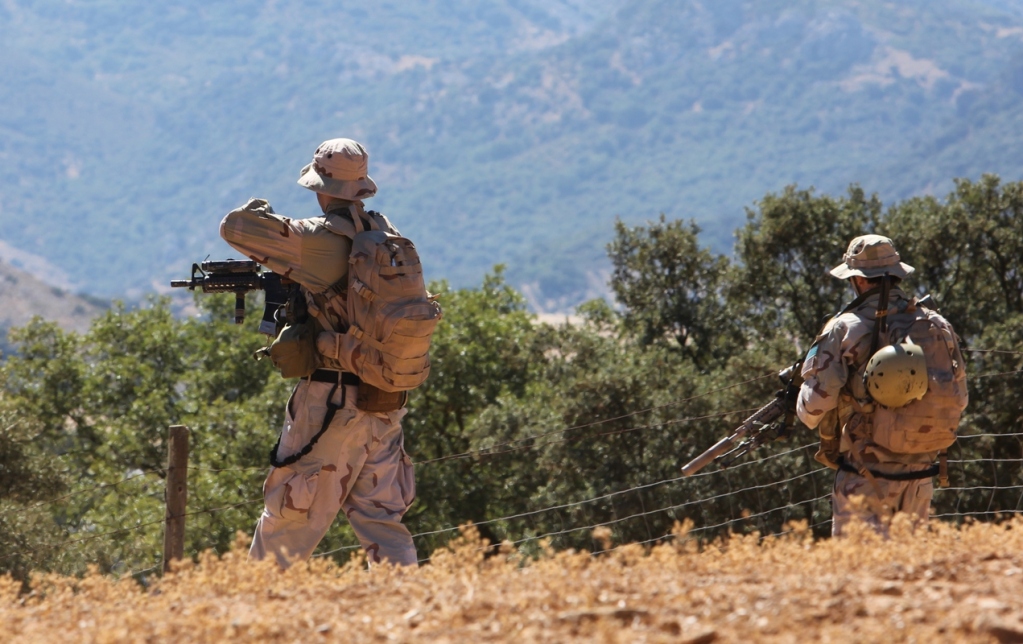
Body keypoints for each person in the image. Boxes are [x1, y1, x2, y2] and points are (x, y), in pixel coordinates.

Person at [220, 138, 418, 567]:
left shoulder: (317, 239)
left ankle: (251, 619)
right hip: (384, 402)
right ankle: (408, 617)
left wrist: (261, 213)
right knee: (384, 526)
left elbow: (233, 229)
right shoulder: (388, 236)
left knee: (288, 521)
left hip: (332, 404)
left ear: (320, 186)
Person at [795, 234, 967, 537]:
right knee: (910, 574)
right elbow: (960, 398)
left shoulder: (844, 328)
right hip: (921, 477)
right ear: (896, 274)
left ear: (859, 280)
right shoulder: (936, 324)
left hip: (865, 478)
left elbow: (813, 409)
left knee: (862, 576)